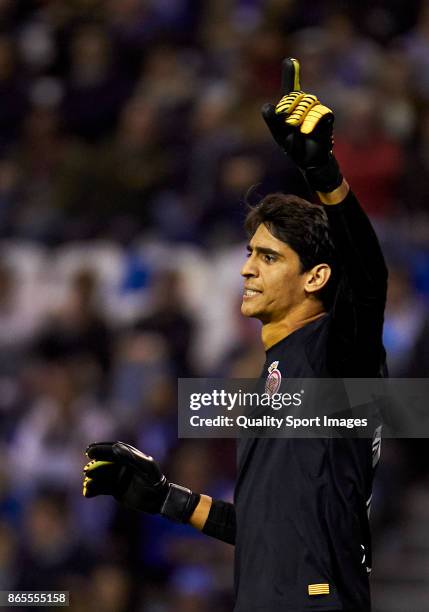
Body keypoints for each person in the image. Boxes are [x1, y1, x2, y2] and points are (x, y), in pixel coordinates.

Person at [82, 58, 387, 612]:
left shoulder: (340, 355)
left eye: (268, 257)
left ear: (317, 277)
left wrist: (326, 177)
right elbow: (263, 530)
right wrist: (167, 499)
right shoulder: (269, 382)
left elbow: (367, 278)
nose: (247, 268)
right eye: (249, 254)